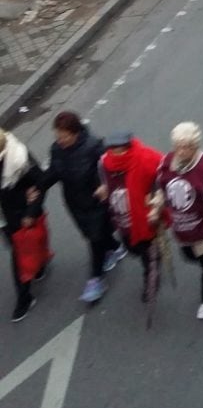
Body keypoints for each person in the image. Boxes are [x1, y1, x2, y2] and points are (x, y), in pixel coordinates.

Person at [151, 122, 203, 321]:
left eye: (186, 146)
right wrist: (156, 207)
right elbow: (163, 190)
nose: (181, 151)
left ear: (195, 146)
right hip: (182, 226)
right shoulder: (167, 164)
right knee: (188, 254)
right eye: (178, 146)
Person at [42, 110, 124, 305]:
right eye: (58, 136)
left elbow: (111, 169)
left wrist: (105, 186)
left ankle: (96, 279)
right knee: (93, 235)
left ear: (76, 133)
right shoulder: (56, 150)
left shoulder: (94, 147)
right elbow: (54, 172)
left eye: (64, 136)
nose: (60, 140)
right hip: (75, 203)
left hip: (97, 203)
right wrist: (38, 187)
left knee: (95, 239)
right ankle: (115, 248)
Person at [96, 131, 164, 302]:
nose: (117, 153)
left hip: (145, 215)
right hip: (122, 216)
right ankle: (152, 260)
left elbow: (163, 176)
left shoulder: (146, 158)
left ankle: (151, 280)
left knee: (148, 254)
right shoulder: (104, 163)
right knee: (132, 248)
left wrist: (154, 195)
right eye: (113, 150)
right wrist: (104, 188)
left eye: (120, 150)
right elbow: (104, 181)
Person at [0, 129, 47, 322]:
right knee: (23, 247)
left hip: (20, 215)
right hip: (5, 217)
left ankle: (24, 297)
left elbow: (40, 182)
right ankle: (39, 265)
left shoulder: (19, 158)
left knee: (18, 255)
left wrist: (30, 212)